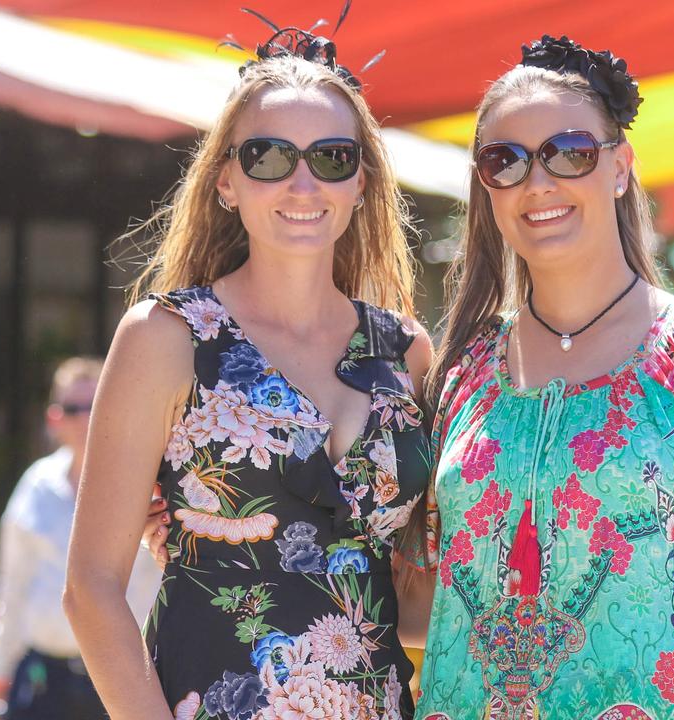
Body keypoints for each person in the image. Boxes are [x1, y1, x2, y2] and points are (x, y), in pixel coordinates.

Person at [406, 36, 674, 719]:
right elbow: (422, 601)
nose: (539, 182)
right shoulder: (459, 374)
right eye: (506, 161)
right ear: (485, 187)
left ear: (620, 167)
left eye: (570, 151)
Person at [63, 15, 433, 720]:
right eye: (268, 157)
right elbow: (90, 586)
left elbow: (411, 598)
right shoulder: (168, 337)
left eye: (331, 157)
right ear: (227, 181)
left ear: (360, 183)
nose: (302, 182)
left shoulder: (406, 352)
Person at [0, 357, 163, 720]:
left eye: (96, 405)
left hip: (129, 677)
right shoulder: (36, 486)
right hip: (46, 678)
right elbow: (12, 587)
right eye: (74, 408)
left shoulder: (151, 483)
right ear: (53, 419)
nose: (87, 418)